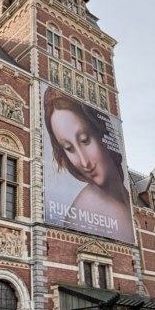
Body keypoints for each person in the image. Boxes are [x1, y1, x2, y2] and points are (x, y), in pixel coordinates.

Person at [43, 88, 135, 243]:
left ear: (101, 130)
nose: (84, 162)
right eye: (69, 148)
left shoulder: (127, 199)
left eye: (85, 140)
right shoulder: (81, 212)